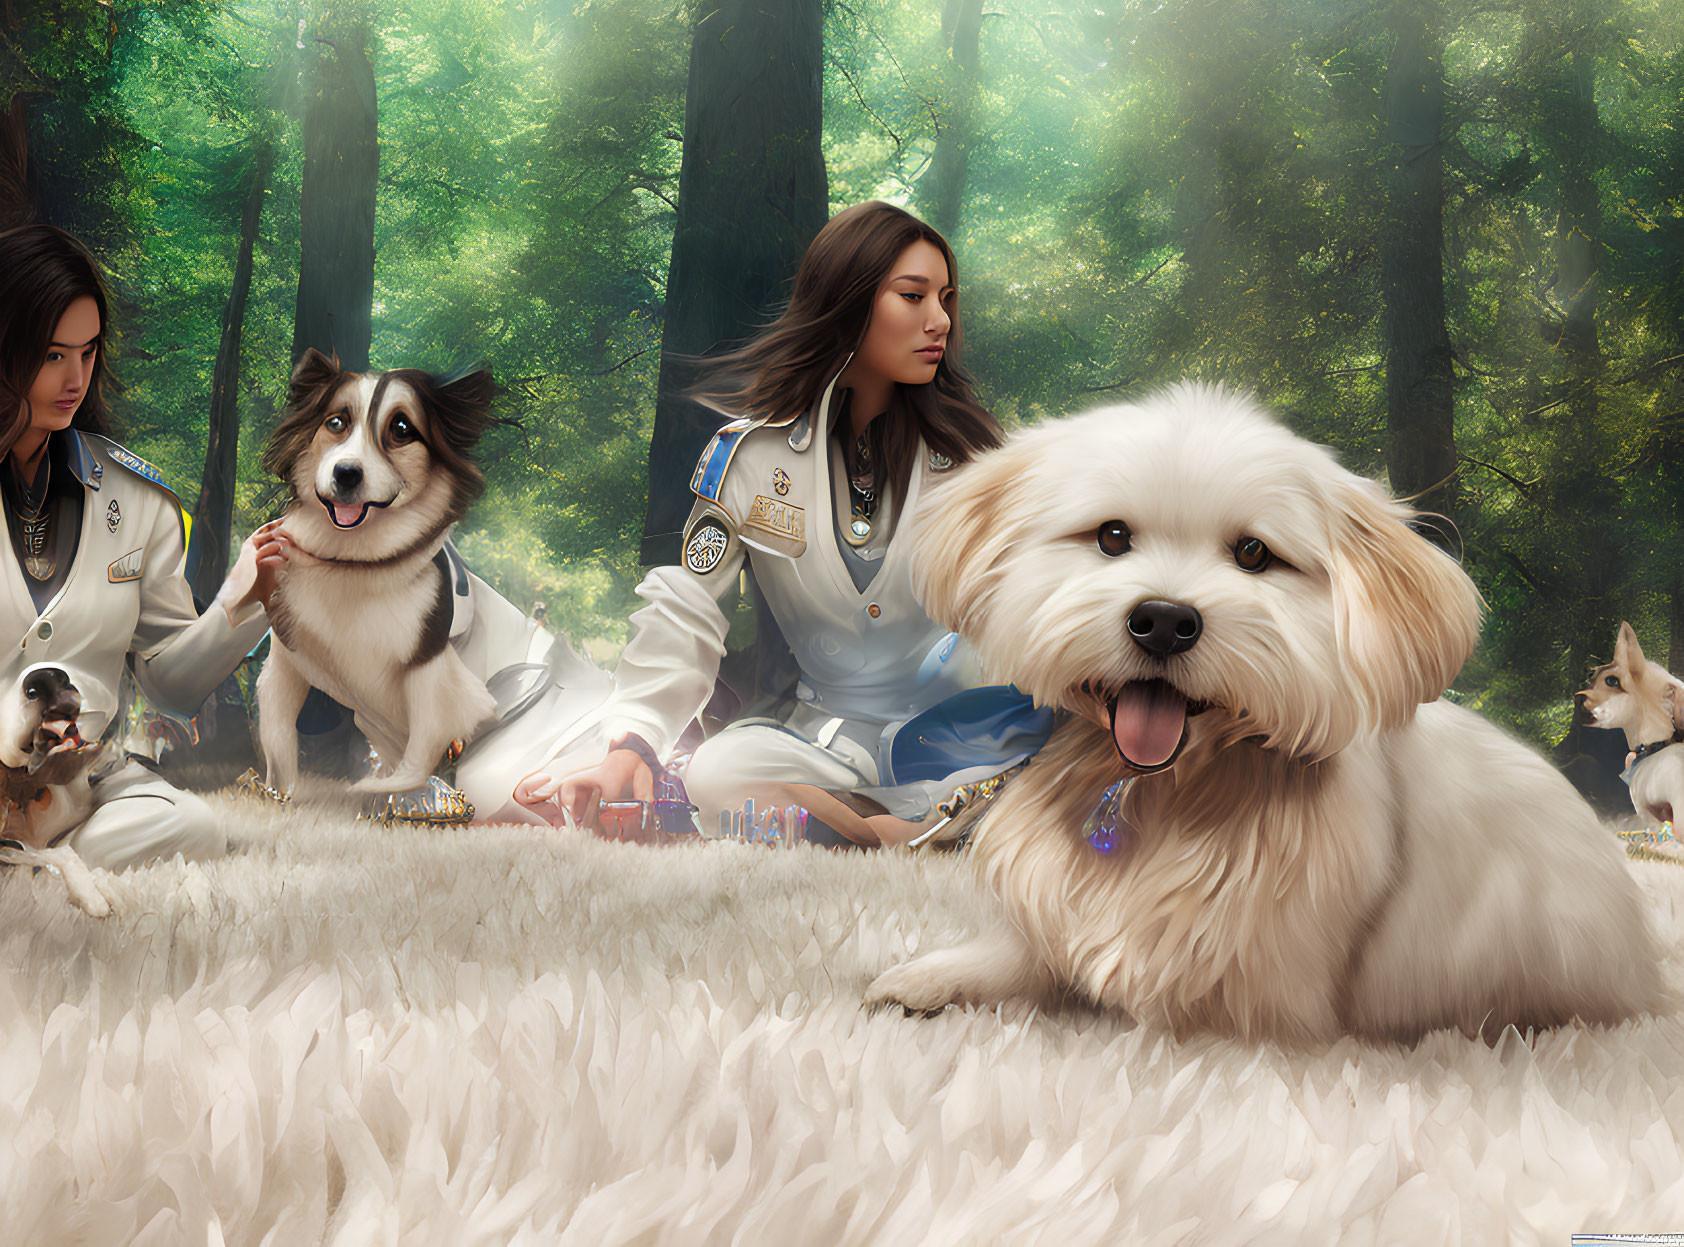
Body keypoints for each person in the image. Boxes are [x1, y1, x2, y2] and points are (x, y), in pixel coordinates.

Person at [516, 201, 1050, 846]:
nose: (939, 320)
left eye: (946, 298)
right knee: (716, 771)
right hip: (833, 744)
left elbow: (1036, 598)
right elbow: (687, 611)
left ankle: (881, 823)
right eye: (912, 295)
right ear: (847, 300)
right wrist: (631, 743)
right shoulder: (746, 459)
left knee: (1061, 747)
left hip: (974, 724)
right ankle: (919, 825)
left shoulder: (976, 459)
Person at [0, 223, 286, 870]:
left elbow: (171, 689)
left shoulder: (144, 501)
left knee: (193, 826)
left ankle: (30, 860)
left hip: (84, 782)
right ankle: (41, 860)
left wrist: (243, 604)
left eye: (88, 352)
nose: (75, 378)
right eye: (51, 355)